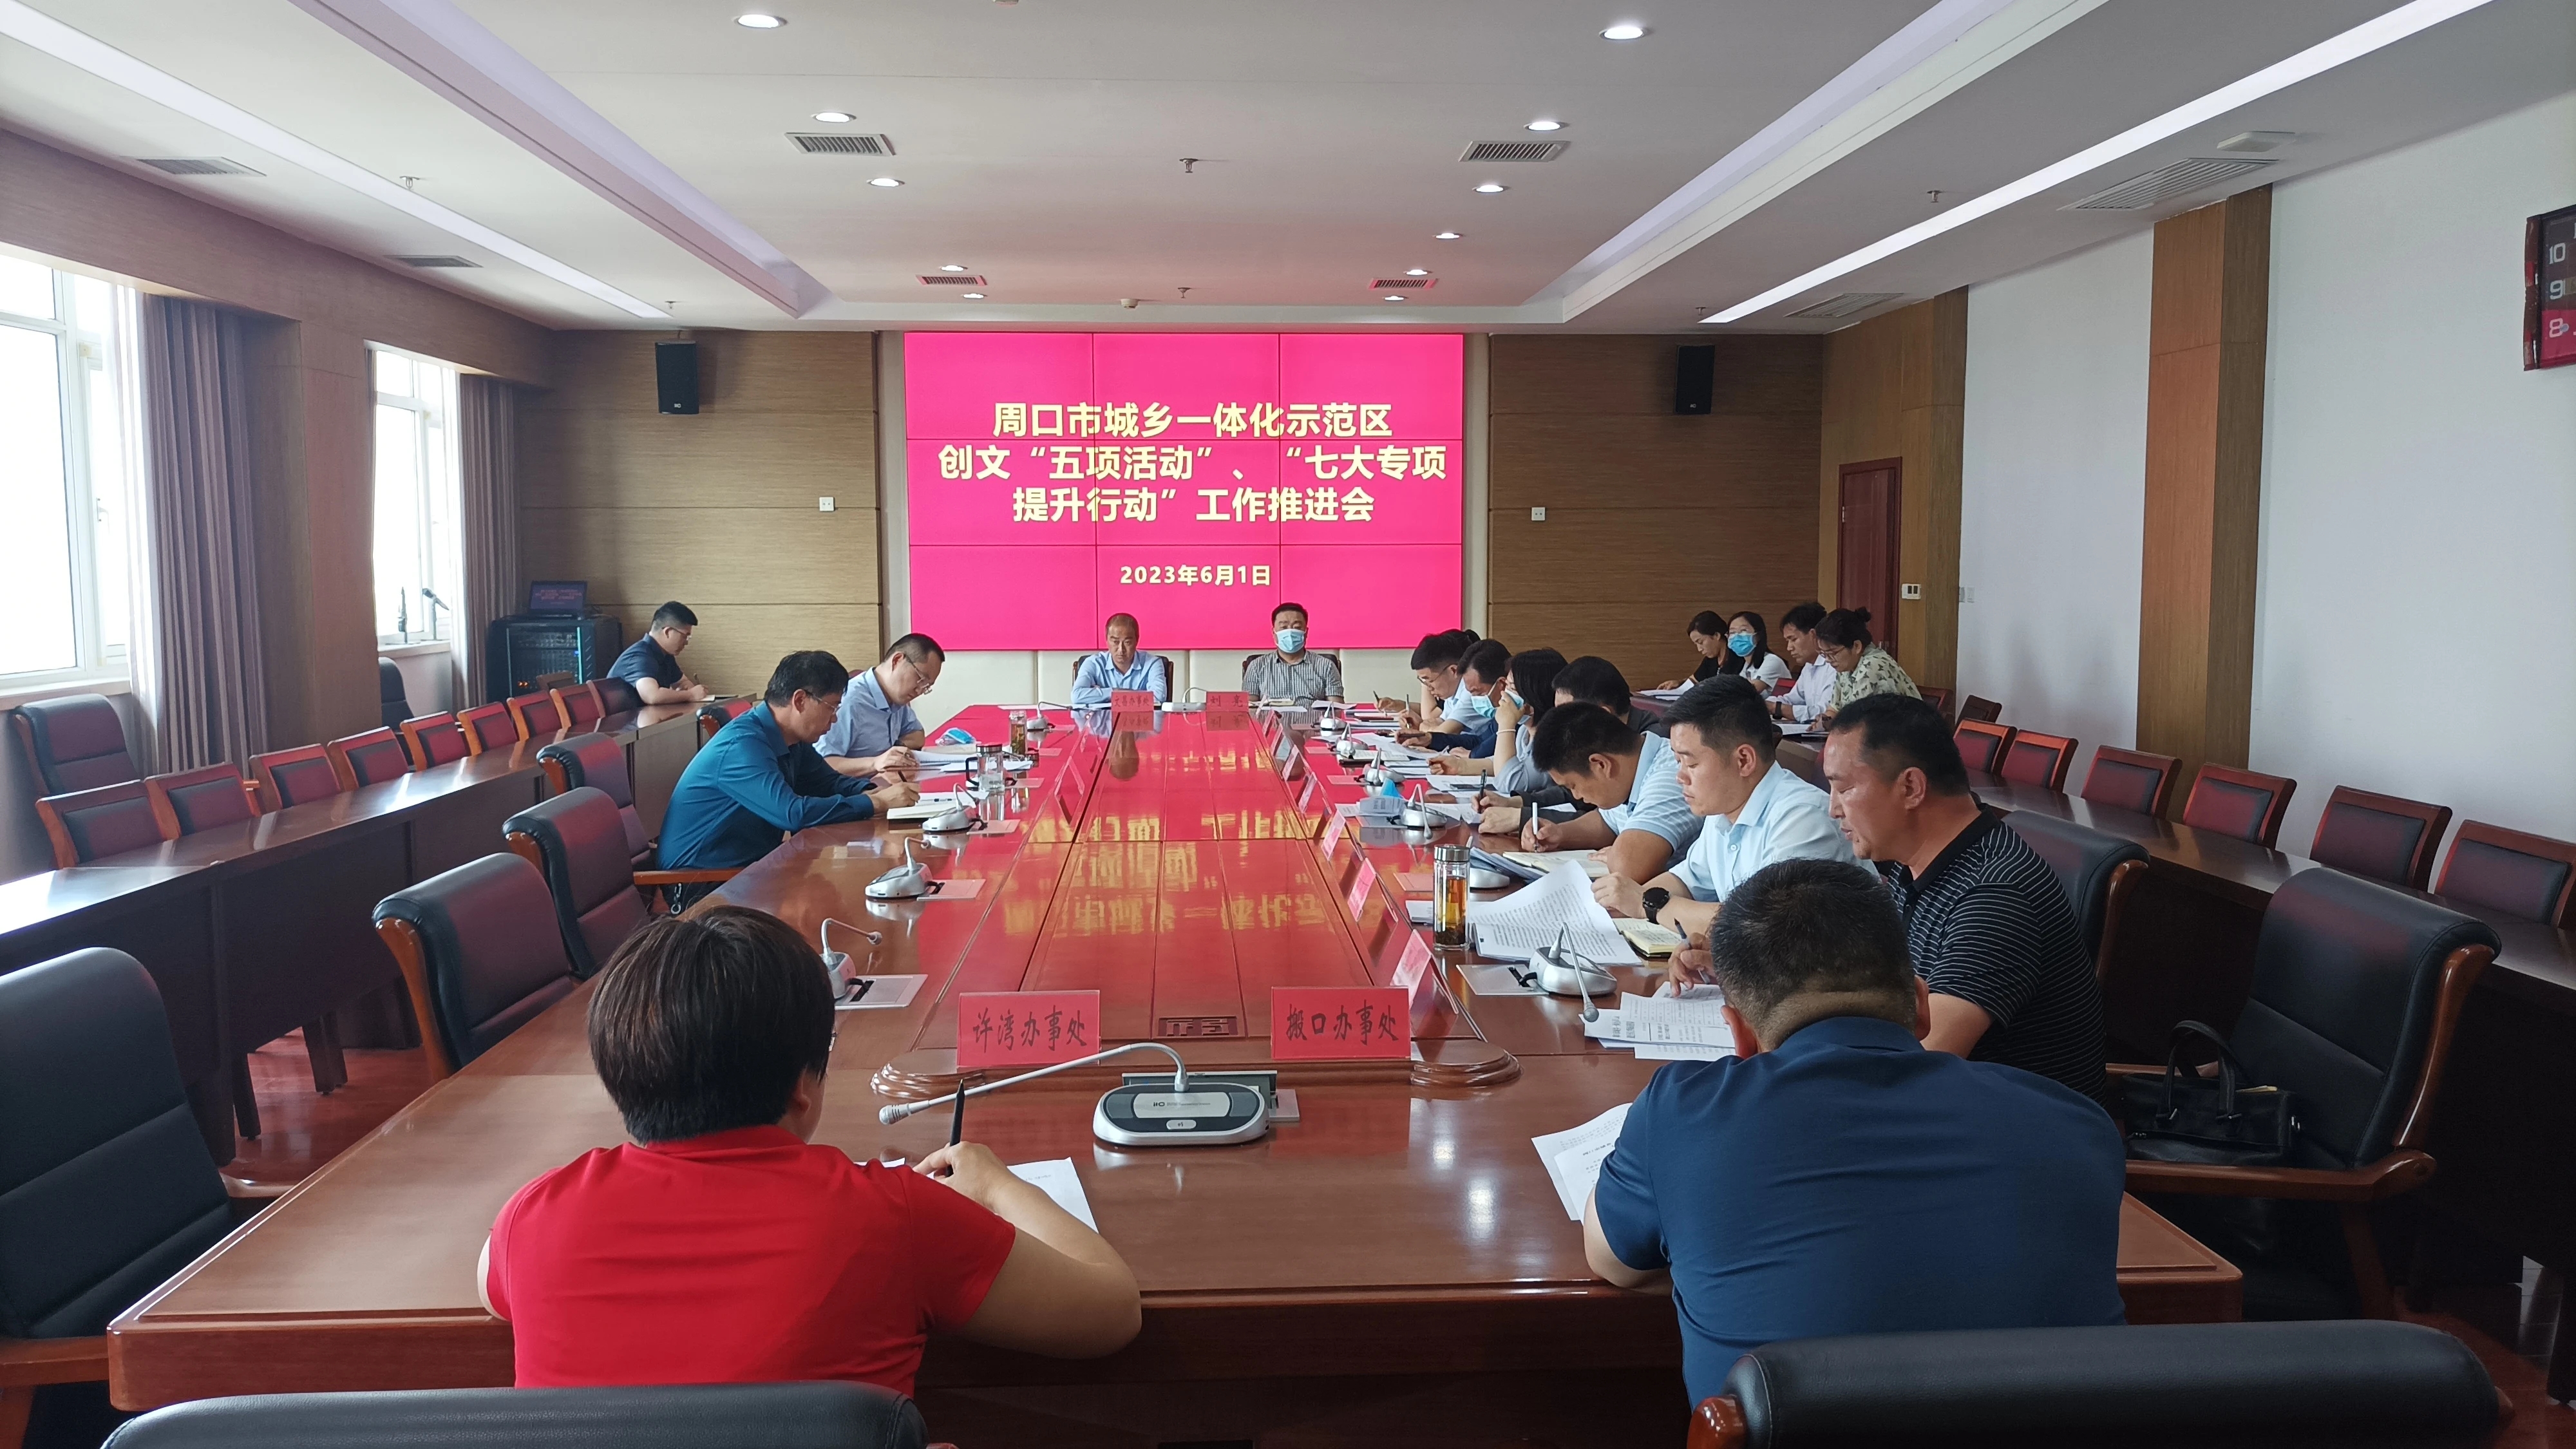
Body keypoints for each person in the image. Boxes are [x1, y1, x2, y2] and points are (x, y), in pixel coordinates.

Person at [482, 907, 1141, 1394]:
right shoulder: (891, 1216)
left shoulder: (533, 1219)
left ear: (619, 1076)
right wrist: (995, 1185)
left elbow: (494, 1291)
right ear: (803, 1084)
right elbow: (1111, 1312)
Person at [1583, 858, 2127, 1408]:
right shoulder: (2077, 1125)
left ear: (1739, 1035)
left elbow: (1612, 1262)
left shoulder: (1683, 1112)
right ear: (1921, 1006)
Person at [1823, 694, 2111, 1108]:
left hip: (2020, 1131)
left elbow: (1917, 1069)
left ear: (1911, 787)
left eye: (1844, 788)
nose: (1833, 809)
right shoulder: (1916, 864)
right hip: (1960, 1110)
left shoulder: (1995, 896)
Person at [1594, 677, 1855, 952]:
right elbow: (1686, 881)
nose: (1680, 777)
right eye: (1678, 761)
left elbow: (1762, 927)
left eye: (1691, 763)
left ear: (1744, 760)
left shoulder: (1803, 819)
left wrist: (1649, 905)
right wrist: (1619, 905)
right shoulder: (1724, 811)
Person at [656, 652, 918, 907]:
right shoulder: (743, 745)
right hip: (704, 885)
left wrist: (871, 791)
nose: (835, 718)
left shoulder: (791, 739)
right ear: (800, 700)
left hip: (751, 869)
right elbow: (792, 814)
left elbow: (829, 783)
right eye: (832, 707)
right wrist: (876, 803)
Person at [1525, 703, 1701, 884]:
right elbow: (1607, 822)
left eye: (1573, 785)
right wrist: (1558, 834)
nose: (1576, 795)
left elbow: (1629, 868)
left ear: (1601, 764)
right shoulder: (1630, 769)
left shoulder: (1671, 777)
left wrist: (1617, 855)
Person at [820, 634, 941, 779]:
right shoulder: (850, 702)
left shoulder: (896, 698)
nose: (920, 691)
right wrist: (875, 762)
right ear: (897, 661)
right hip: (850, 789)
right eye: (920, 679)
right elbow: (823, 765)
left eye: (927, 686)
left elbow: (917, 735)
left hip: (881, 784)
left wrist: (895, 752)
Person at [1814, 607, 1918, 723]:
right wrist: (1824, 721)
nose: (1828, 660)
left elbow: (1858, 723)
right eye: (1824, 654)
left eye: (1833, 653)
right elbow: (1834, 709)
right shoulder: (1847, 666)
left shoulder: (1872, 666)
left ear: (1857, 646)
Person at [609, 602, 709, 705]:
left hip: (645, 714)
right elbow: (652, 696)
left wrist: (686, 688)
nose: (686, 642)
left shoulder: (665, 655)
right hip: (625, 715)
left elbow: (683, 682)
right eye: (685, 637)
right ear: (668, 632)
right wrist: (690, 695)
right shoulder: (640, 656)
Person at [1242, 601, 1343, 703]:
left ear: (1306, 632)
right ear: (1274, 633)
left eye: (1297, 627)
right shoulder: (1256, 666)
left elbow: (1336, 708)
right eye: (1284, 627)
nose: (1290, 632)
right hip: (1271, 714)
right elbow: (1249, 708)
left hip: (1312, 714)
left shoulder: (1326, 666)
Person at [1070, 614, 1168, 706]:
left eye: (1127, 642)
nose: (1121, 649)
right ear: (1107, 640)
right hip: (1102, 719)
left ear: (1137, 640)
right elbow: (1077, 696)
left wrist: (1100, 694)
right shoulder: (1093, 663)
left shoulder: (1152, 663)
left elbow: (1159, 697)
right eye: (1115, 642)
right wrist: (1113, 692)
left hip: (1142, 718)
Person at [1769, 601, 1838, 726]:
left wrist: (1777, 708)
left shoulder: (1835, 665)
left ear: (1813, 635)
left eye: (1793, 639)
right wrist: (1764, 704)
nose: (1789, 648)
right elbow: (1792, 699)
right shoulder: (1809, 666)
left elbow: (1825, 713)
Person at [1398, 629, 1473, 738]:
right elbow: (1438, 722)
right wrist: (1421, 725)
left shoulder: (1470, 691)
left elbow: (1443, 733)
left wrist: (1423, 727)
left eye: (1430, 681)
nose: (1429, 689)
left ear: (1453, 671)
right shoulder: (1453, 694)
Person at [1714, 611, 1792, 692]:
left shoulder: (1772, 661)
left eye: (1743, 631)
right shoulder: (1746, 665)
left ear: (1758, 636)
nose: (1737, 636)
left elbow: (1750, 693)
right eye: (1733, 632)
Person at [1653, 611, 1731, 690]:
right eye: (1696, 644)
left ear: (1716, 635)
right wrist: (1680, 683)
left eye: (1700, 642)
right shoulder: (1710, 660)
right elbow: (1694, 681)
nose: (1699, 649)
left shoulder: (1736, 657)